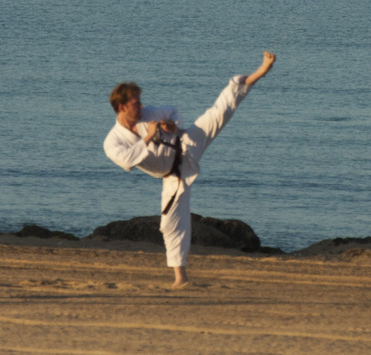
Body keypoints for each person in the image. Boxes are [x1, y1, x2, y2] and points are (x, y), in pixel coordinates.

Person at [102, 51, 276, 287]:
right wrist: (150, 136)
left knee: (218, 112)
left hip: (186, 146)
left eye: (140, 101)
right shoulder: (113, 140)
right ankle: (180, 278)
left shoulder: (150, 113)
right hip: (172, 175)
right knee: (170, 224)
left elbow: (172, 112)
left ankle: (260, 71)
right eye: (135, 103)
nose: (141, 106)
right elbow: (126, 161)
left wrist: (172, 125)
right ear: (122, 107)